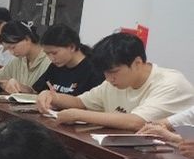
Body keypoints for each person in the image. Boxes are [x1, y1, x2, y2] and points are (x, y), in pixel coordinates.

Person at [37, 32, 194, 131]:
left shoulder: (170, 83)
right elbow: (80, 102)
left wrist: (80, 115)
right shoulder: (114, 81)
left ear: (137, 63)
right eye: (105, 73)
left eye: (113, 72)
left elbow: (137, 122)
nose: (108, 79)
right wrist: (52, 97)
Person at [32, 25, 102, 99]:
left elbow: (91, 103)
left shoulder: (94, 70)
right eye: (47, 53)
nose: (51, 58)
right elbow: (36, 90)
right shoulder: (55, 67)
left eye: (54, 53)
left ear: (72, 47)